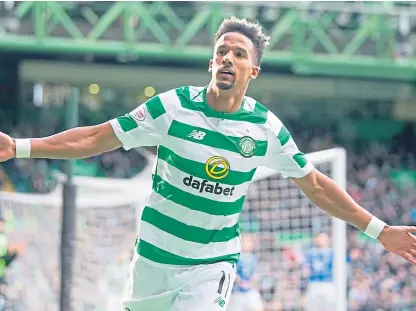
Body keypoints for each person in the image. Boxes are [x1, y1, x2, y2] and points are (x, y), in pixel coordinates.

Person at [0, 16, 416, 311]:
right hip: (152, 259)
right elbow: (94, 138)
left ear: (253, 69)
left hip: (210, 262)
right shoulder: (172, 108)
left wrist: (379, 231)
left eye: (238, 53)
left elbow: (316, 185)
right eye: (221, 52)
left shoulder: (265, 129)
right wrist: (18, 147)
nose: (228, 59)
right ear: (211, 63)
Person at [303, 233, 336, 311]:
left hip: (328, 283)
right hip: (314, 283)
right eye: (319, 238)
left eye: (323, 238)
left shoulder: (332, 252)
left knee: (330, 306)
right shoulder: (310, 253)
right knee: (313, 306)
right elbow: (306, 267)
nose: (320, 240)